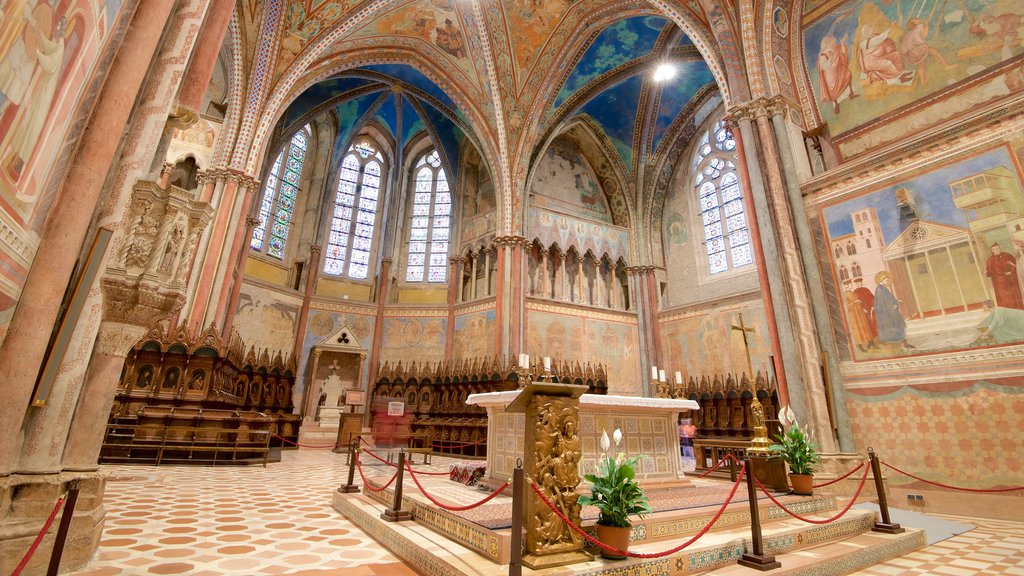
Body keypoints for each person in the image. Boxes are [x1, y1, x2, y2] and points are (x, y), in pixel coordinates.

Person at [817, 34, 857, 114]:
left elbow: (843, 53)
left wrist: (842, 43)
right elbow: (824, 67)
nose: (833, 43)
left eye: (833, 41)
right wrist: (830, 59)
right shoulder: (823, 55)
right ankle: (836, 104)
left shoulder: (836, 49)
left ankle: (851, 93)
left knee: (847, 73)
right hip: (830, 75)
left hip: (839, 70)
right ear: (827, 43)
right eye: (831, 42)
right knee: (833, 88)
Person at [874, 271, 913, 350]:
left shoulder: (883, 288)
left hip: (891, 312)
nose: (887, 281)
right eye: (885, 280)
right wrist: (891, 306)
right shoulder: (879, 289)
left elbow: (889, 299)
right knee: (894, 329)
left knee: (898, 326)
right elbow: (882, 302)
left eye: (887, 280)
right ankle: (901, 345)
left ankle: (904, 343)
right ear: (881, 280)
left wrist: (896, 301)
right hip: (887, 314)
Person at [987, 243, 1024, 310]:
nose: (996, 250)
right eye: (994, 249)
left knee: (1014, 296)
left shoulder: (1007, 255)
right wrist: (1003, 274)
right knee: (1004, 298)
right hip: (1000, 283)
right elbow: (989, 272)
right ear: (992, 250)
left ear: (1000, 248)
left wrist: (1011, 272)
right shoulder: (990, 260)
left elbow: (1016, 265)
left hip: (1011, 280)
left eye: (997, 248)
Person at [844, 281, 874, 352]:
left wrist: (862, 308)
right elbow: (846, 306)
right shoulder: (845, 294)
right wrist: (854, 302)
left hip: (860, 313)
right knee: (858, 330)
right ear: (847, 286)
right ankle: (860, 346)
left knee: (864, 327)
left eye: (850, 284)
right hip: (854, 315)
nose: (851, 286)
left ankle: (870, 343)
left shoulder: (853, 292)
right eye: (849, 285)